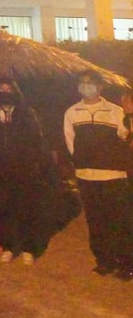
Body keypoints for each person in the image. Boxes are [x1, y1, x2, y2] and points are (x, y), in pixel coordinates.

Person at [63, 70, 133, 280]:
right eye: (82, 82)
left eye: (90, 82)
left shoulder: (115, 111)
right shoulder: (72, 112)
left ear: (100, 87)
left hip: (114, 176)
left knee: (120, 221)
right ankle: (104, 261)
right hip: (86, 176)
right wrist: (82, 163)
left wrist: (130, 115)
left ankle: (126, 263)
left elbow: (127, 138)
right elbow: (70, 142)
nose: (86, 86)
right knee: (96, 221)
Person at [0, 77, 44, 265]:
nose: (4, 93)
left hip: (23, 168)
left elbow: (36, 140)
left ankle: (28, 247)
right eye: (1, 89)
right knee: (3, 208)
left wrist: (33, 163)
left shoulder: (26, 113)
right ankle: (7, 246)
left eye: (8, 89)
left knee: (25, 208)